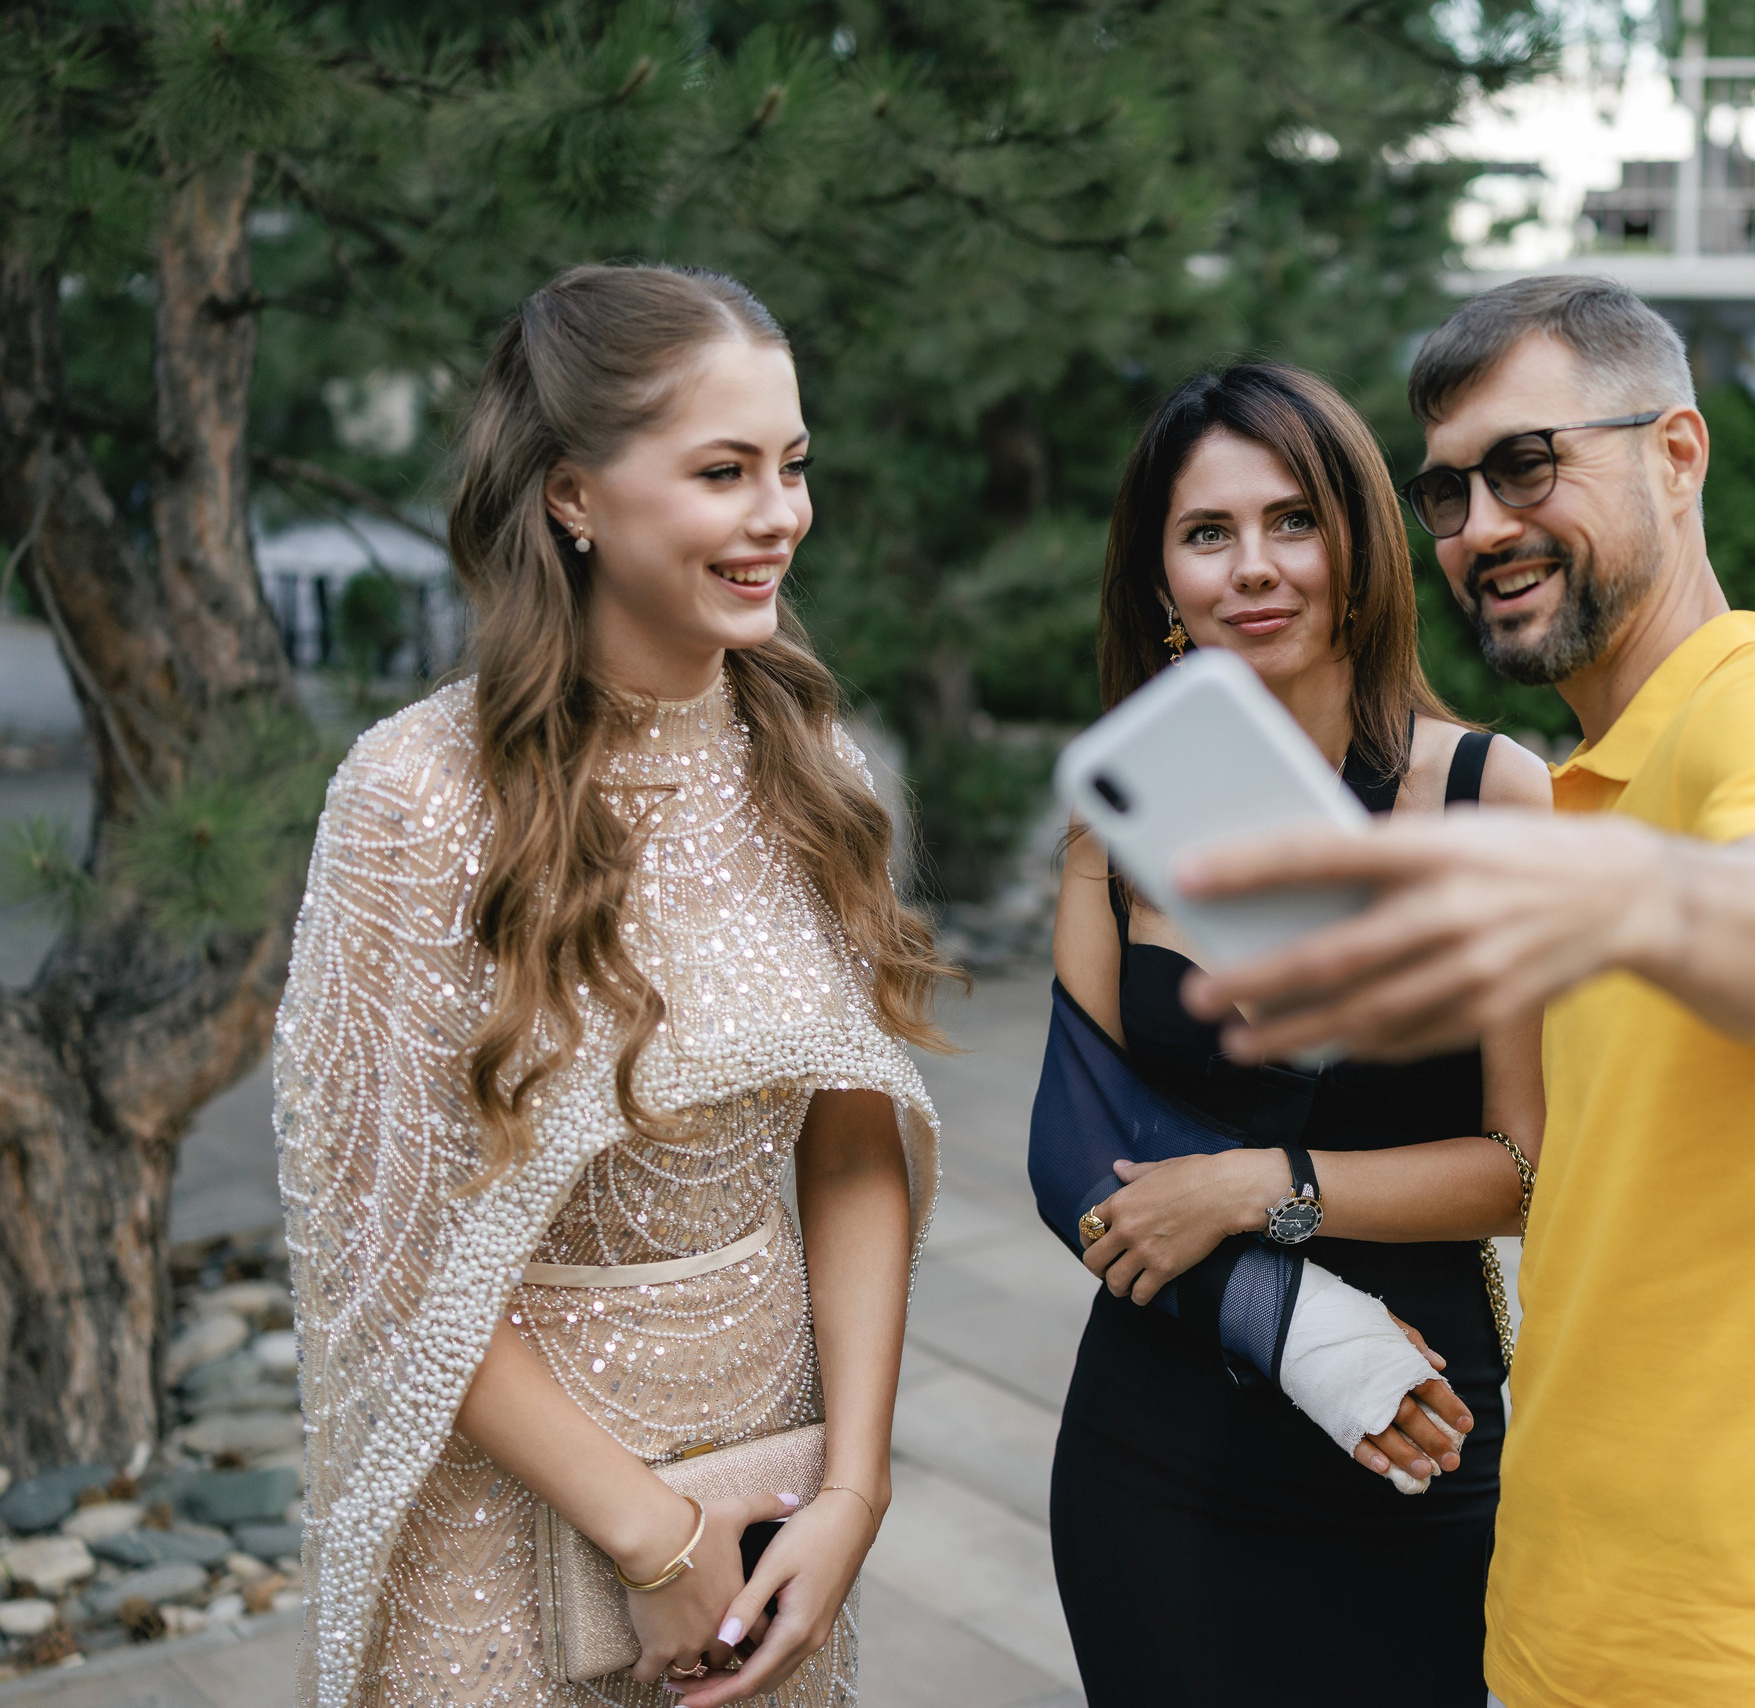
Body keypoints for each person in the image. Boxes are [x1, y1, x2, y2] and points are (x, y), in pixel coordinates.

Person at [1176, 278, 1755, 1705]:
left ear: (1678, 455)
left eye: (1528, 464)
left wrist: (1567, 892)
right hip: (1575, 1620)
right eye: (1447, 493)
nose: (1480, 526)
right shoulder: (1599, 783)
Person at [275, 264, 952, 1708]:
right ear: (573, 496)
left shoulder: (816, 768)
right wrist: (650, 1540)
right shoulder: (415, 798)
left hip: (766, 1463)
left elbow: (849, 1144)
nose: (781, 515)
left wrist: (851, 1490)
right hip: (508, 1493)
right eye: (724, 471)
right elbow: (389, 1245)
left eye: (793, 465)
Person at [1046, 362, 1551, 1708]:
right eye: (1207, 534)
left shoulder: (1487, 796)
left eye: (1292, 521)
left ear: (1359, 546)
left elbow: (1524, 1166)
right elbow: (1069, 1155)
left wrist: (1263, 1191)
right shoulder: (1117, 815)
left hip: (1411, 1426)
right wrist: (1287, 1314)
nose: (1253, 568)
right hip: (1155, 1454)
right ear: (1161, 580)